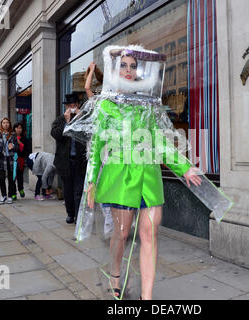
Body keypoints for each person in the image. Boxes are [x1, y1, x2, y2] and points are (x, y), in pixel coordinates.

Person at [70, 45, 202, 300]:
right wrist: (90, 183)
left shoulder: (147, 106)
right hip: (120, 177)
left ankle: (147, 298)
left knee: (150, 235)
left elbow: (161, 143)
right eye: (123, 65)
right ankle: (116, 272)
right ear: (114, 70)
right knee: (120, 233)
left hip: (149, 178)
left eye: (133, 66)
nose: (129, 70)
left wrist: (184, 167)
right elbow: (96, 147)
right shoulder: (106, 106)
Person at [51, 93, 88, 224]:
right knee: (68, 190)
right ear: (66, 106)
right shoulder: (60, 119)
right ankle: (70, 214)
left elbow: (88, 135)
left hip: (80, 161)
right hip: (65, 162)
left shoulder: (83, 118)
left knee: (79, 189)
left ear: (78, 105)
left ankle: (79, 216)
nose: (72, 107)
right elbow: (55, 134)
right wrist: (67, 122)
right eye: (70, 105)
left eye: (74, 105)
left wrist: (80, 119)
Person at [0, 118, 19, 205]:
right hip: (1, 159)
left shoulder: (13, 135)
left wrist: (13, 146)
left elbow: (17, 147)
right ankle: (3, 195)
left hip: (10, 159)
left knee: (11, 179)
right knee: (1, 178)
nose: (6, 124)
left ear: (9, 124)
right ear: (1, 124)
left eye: (7, 122)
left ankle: (10, 195)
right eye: (4, 123)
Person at [12, 122, 30, 200]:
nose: (19, 129)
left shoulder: (25, 139)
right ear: (14, 129)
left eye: (20, 128)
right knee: (13, 177)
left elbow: (27, 150)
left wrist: (21, 144)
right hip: (12, 160)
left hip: (20, 159)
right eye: (17, 128)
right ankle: (13, 193)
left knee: (20, 176)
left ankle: (21, 189)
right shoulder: (11, 137)